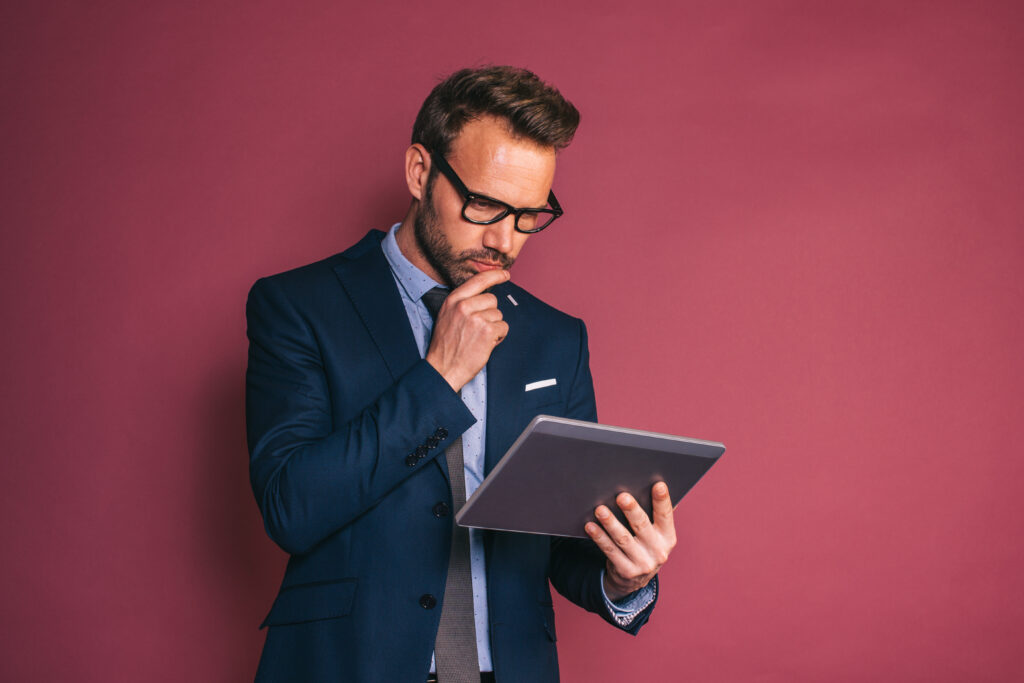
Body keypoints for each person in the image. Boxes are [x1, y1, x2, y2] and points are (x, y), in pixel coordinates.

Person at [246, 66, 677, 683]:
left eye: (529, 216)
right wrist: (438, 378)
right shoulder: (298, 307)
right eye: (484, 205)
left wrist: (624, 575)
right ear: (420, 172)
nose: (503, 239)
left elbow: (562, 539)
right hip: (345, 665)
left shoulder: (557, 338)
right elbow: (292, 507)